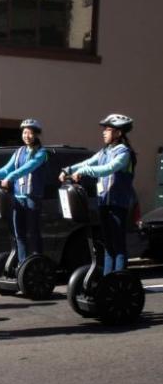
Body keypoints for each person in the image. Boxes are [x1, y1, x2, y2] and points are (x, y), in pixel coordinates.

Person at [59, 114, 136, 275]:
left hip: (118, 205)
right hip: (104, 203)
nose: (104, 133)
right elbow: (88, 162)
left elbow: (108, 168)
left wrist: (83, 172)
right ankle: (108, 281)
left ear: (118, 133)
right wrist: (69, 169)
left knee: (118, 245)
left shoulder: (124, 153)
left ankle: (119, 280)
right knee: (107, 246)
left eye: (108, 129)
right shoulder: (104, 152)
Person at [0, 119, 49, 265]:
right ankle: (22, 265)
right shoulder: (19, 152)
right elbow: (8, 168)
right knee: (18, 234)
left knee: (33, 233)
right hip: (18, 197)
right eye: (25, 132)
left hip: (33, 198)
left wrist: (9, 178)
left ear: (36, 135)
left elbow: (27, 168)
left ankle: (37, 264)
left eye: (30, 133)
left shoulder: (42, 153)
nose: (27, 136)